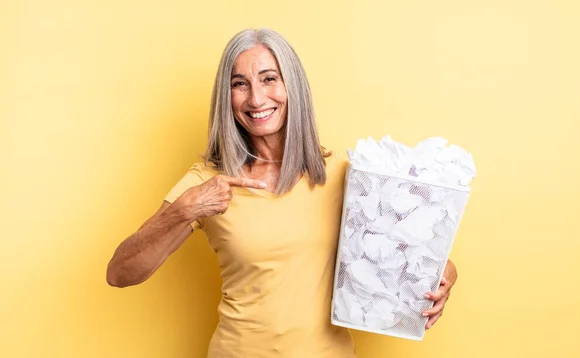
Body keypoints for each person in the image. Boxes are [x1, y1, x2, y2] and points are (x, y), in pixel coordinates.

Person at [106, 28, 458, 358]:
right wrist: (183, 211)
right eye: (239, 84)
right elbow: (120, 273)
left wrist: (446, 279)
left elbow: (413, 254)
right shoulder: (207, 181)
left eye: (269, 79)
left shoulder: (344, 174)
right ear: (226, 97)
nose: (256, 98)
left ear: (293, 86)